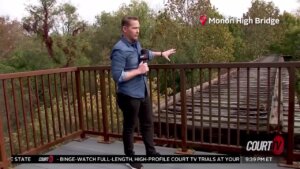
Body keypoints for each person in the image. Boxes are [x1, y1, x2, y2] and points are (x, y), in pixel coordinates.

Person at [110, 16, 176, 169]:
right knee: (129, 126)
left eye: (138, 27)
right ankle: (130, 157)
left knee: (147, 123)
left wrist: (161, 53)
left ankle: (151, 153)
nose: (137, 30)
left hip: (142, 91)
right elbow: (117, 76)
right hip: (128, 95)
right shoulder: (119, 49)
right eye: (134, 28)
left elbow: (145, 54)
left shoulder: (136, 44)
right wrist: (138, 70)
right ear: (125, 29)